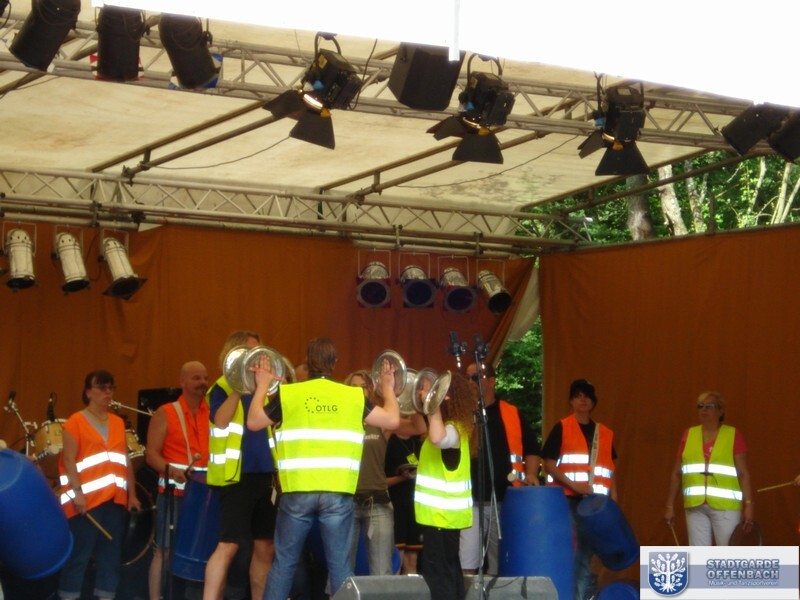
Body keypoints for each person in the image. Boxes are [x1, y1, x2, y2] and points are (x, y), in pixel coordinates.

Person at [246, 336, 400, 600]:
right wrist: (387, 387)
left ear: (308, 361)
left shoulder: (290, 394)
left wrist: (261, 386)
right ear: (335, 363)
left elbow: (254, 422)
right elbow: (393, 420)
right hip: (337, 493)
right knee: (340, 565)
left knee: (284, 563)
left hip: (297, 491)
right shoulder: (353, 396)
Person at [204, 331, 277, 600]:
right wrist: (238, 385)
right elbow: (221, 420)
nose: (256, 359)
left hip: (266, 475)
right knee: (229, 545)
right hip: (236, 477)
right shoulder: (222, 387)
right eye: (249, 353)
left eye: (259, 352)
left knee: (265, 546)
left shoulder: (266, 388)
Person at [57, 370, 142, 600]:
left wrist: (132, 494)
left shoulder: (117, 422)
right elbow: (69, 461)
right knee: (79, 556)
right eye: (102, 388)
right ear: (88, 392)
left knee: (110, 556)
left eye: (111, 388)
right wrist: (77, 493)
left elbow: (125, 460)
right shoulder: (75, 423)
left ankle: (105, 596)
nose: (108, 392)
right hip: (86, 502)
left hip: (115, 500)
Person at [460, 362, 541, 575]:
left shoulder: (512, 413)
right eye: (467, 378)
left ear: (491, 381)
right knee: (467, 563)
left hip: (506, 500)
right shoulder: (462, 413)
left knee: (500, 565)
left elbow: (532, 449)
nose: (470, 382)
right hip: (469, 500)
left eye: (475, 377)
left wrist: (531, 474)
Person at [344, 369, 425, 576]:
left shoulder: (380, 420)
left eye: (363, 387)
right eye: (353, 387)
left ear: (370, 391)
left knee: (382, 572)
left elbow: (418, 428)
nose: (358, 391)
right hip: (345, 501)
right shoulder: (339, 419)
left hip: (377, 500)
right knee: (341, 570)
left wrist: (412, 400)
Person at [541, 379, 616, 600]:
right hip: (569, 500)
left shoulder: (605, 433)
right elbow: (549, 463)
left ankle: (581, 594)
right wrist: (574, 486)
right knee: (575, 553)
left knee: (586, 553)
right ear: (571, 402)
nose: (582, 400)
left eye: (586, 396)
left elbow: (611, 469)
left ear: (593, 402)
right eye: (577, 396)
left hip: (595, 505)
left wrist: (613, 501)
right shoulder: (562, 427)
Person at [145, 361, 210, 600]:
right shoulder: (166, 412)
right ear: (182, 381)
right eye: (196, 378)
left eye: (205, 378)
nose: (203, 383)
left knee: (201, 551)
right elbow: (151, 455)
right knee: (164, 550)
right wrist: (171, 471)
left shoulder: (213, 412)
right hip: (173, 495)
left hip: (204, 496)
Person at [414, 371, 476, 600]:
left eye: (435, 392)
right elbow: (411, 427)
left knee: (440, 578)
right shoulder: (453, 427)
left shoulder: (454, 430)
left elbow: (438, 438)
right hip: (440, 518)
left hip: (443, 517)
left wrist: (432, 404)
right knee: (448, 574)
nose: (426, 394)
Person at [664, 391, 754, 546]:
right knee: (699, 555)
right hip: (695, 506)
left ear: (721, 411)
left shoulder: (733, 434)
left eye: (709, 406)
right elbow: (677, 473)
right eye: (700, 406)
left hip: (726, 507)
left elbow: (743, 474)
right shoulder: (689, 434)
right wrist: (669, 506)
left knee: (727, 554)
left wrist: (749, 505)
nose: (704, 410)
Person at [385, 430, 423, 574]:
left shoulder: (419, 443)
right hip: (395, 504)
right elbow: (380, 481)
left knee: (412, 558)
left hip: (415, 505)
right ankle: (395, 587)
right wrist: (403, 477)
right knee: (397, 557)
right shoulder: (388, 443)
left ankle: (411, 587)